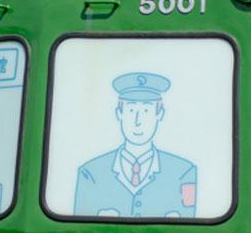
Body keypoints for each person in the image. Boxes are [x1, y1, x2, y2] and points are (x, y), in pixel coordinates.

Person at [73, 72, 197, 218]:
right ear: (119, 113)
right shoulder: (90, 173)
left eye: (146, 110)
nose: (138, 121)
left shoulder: (183, 173)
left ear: (160, 114)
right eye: (131, 110)